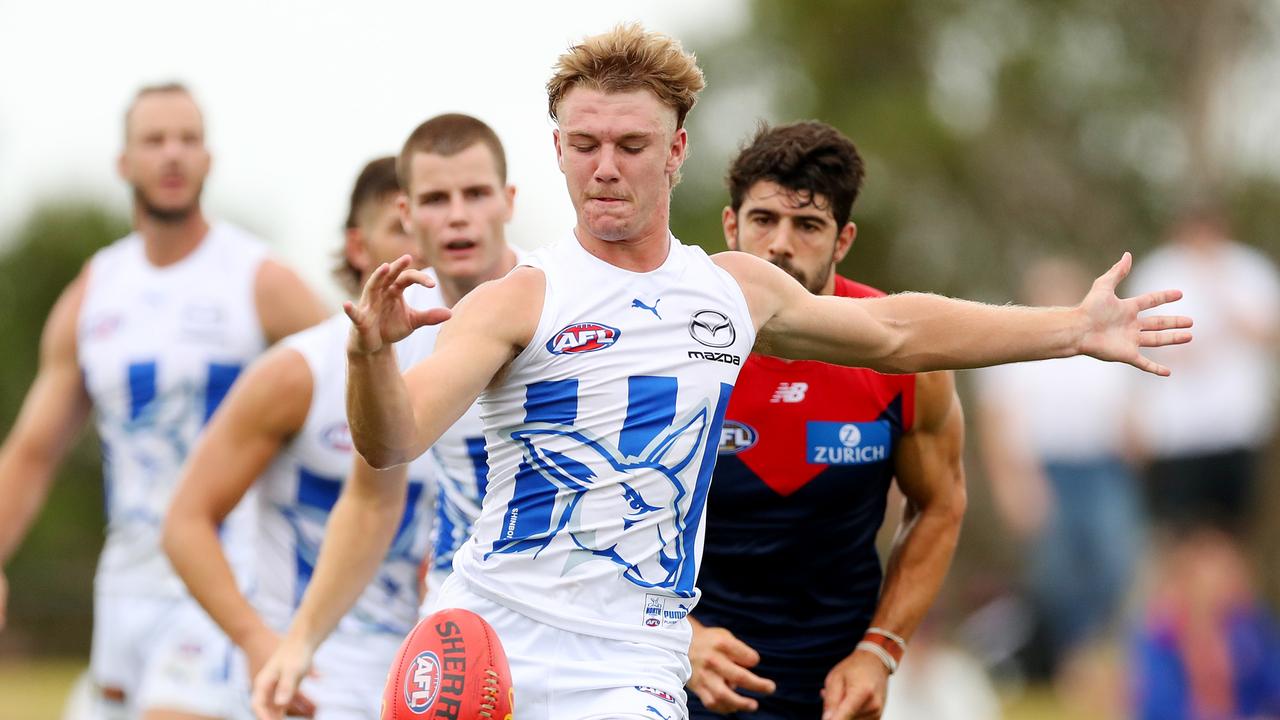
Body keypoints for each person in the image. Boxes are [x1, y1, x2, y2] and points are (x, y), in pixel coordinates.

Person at [260, 25, 1190, 720]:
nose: (605, 169)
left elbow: (900, 331)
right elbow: (392, 438)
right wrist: (369, 353)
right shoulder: (517, 298)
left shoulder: (735, 290)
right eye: (584, 145)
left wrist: (1071, 327)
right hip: (489, 627)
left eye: (631, 145)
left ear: (677, 151)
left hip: (631, 657)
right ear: (557, 151)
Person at [0, 83, 328, 719]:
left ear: (209, 159)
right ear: (125, 163)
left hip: (223, 584)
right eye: (155, 140)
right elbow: (33, 453)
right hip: (124, 585)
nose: (173, 155)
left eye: (188, 139)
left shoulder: (260, 279)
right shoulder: (93, 292)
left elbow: (355, 396)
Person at [685, 121, 965, 720]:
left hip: (835, 688)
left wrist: (880, 649)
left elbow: (941, 503)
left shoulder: (903, 357)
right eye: (763, 220)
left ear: (843, 241)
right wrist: (675, 635)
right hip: (677, 673)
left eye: (808, 225)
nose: (780, 244)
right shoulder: (669, 345)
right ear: (731, 226)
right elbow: (601, 512)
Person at [250, 113, 520, 716]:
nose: (457, 215)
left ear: (508, 201)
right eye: (435, 198)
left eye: (475, 194)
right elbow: (372, 500)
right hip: (457, 626)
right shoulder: (405, 326)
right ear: (406, 214)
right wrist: (299, 642)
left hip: (572, 625)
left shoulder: (562, 305)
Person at [163, 156, 438, 719]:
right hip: (314, 675)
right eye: (399, 231)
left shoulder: (476, 368)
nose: (420, 250)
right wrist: (258, 641)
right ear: (358, 247)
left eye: (428, 227)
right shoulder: (299, 372)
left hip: (426, 674)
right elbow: (185, 521)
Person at [976, 256, 1143, 684]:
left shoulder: (1102, 339)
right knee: (1056, 572)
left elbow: (1128, 412)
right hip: (1043, 470)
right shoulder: (1012, 347)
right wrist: (1011, 484)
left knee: (1115, 561)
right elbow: (995, 423)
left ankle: (1097, 650)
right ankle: (1068, 658)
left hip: (1102, 468)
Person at [1125, 205, 1280, 536]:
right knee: (1178, 531)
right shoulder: (1159, 271)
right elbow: (1134, 341)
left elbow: (1270, 333)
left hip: (1238, 428)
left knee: (1234, 530)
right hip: (1175, 432)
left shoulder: (1250, 270)